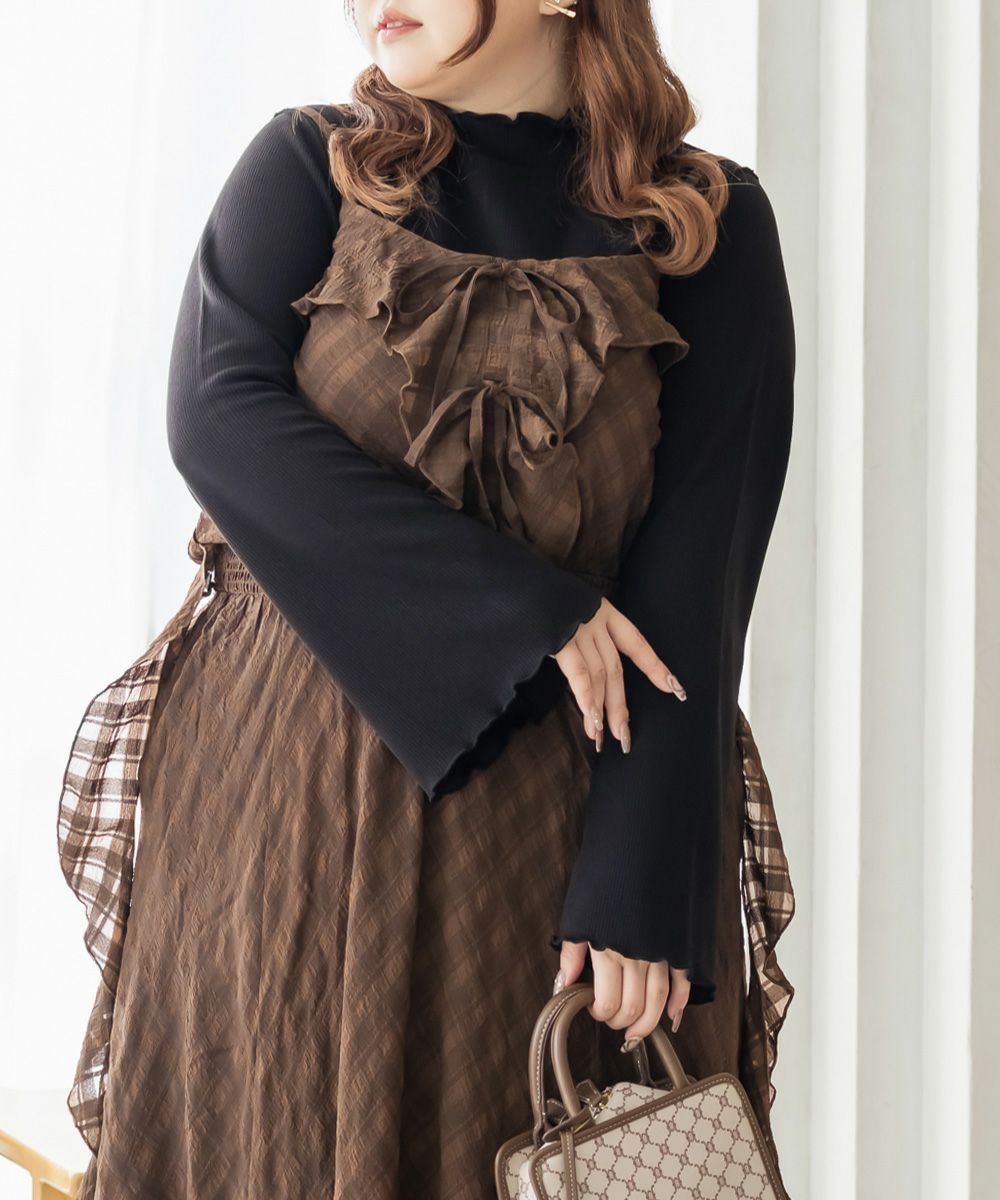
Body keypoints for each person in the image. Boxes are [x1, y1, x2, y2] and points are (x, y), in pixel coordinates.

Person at [56, 1, 797, 1196]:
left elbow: (700, 581)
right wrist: (529, 608)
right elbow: (220, 420)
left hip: (552, 830)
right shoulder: (310, 164)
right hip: (275, 812)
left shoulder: (705, 222)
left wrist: (645, 880)